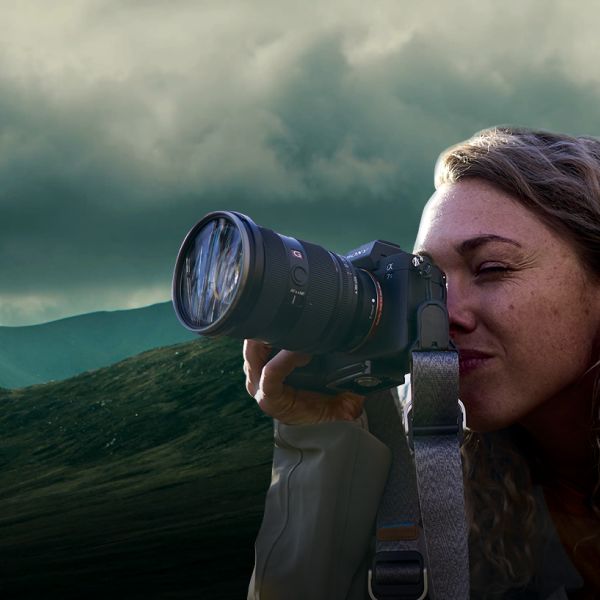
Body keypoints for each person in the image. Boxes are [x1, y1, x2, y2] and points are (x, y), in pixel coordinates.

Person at [243, 127, 600, 599]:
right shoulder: (458, 488)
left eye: (491, 268)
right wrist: (319, 445)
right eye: (429, 281)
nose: (443, 315)